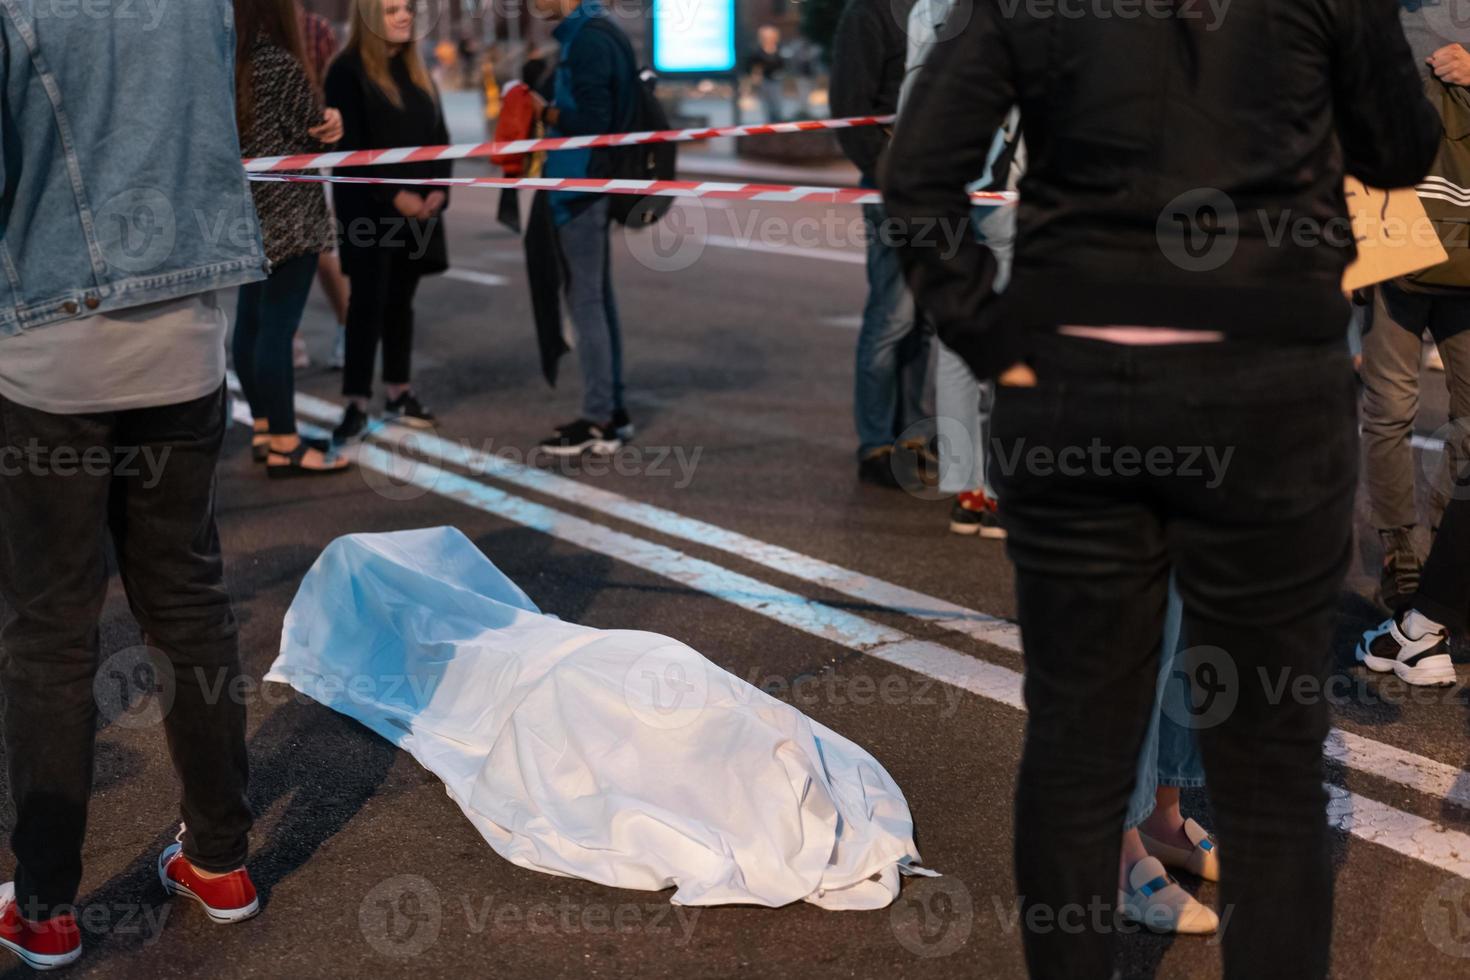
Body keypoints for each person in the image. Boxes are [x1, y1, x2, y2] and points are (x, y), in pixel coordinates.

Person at [883, 5, 1439, 979]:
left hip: (1079, 391)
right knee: (1269, 768)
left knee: (1075, 747)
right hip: (1263, 392)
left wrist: (995, 343)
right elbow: (1400, 147)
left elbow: (920, 176)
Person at [0, 3, 269, 968]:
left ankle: (44, 906)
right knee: (189, 603)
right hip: (189, 335)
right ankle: (222, 859)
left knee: (51, 629)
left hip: (49, 345)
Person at [1360, 3, 1470, 612]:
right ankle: (1404, 555)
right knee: (1390, 406)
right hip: (1388, 223)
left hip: (1466, 230)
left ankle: (1443, 556)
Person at [327, 0, 452, 444]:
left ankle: (399, 392)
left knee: (402, 301)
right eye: (392, 10)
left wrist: (439, 190)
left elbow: (440, 138)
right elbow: (351, 150)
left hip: (419, 212)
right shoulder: (346, 71)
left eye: (408, 8)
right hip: (369, 213)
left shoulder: (418, 72)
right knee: (367, 304)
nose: (404, 16)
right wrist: (395, 196)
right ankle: (356, 403)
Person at [234, 0, 350, 477]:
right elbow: (316, 132)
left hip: (249, 213)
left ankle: (264, 426)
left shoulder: (232, 63)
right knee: (277, 332)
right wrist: (334, 122)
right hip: (292, 217)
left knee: (252, 323)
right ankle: (285, 441)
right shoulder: (281, 64)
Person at [831, 0, 933, 490]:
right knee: (894, 316)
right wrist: (887, 171)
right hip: (891, 188)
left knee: (929, 317)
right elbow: (848, 108)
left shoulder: (943, 9)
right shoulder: (867, 12)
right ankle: (875, 444)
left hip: (943, 184)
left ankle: (913, 434)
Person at [531, 0, 640, 457]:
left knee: (587, 301)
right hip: (586, 184)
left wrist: (547, 113)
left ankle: (599, 419)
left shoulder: (589, 40)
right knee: (597, 298)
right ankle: (611, 411)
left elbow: (594, 121)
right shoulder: (599, 32)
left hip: (580, 187)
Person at [295, 0, 353, 371]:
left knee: (321, 249)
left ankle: (348, 327)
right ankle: (289, 337)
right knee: (272, 256)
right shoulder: (240, 25)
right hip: (267, 156)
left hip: (309, 151)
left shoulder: (315, 30)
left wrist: (329, 122)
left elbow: (331, 90)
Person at [745, 25, 786, 124]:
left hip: (777, 80)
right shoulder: (757, 51)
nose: (769, 39)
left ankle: (777, 121)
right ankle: (770, 123)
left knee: (777, 103)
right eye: (766, 37)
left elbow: (784, 64)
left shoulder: (779, 49)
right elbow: (751, 66)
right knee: (766, 104)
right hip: (764, 80)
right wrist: (755, 76)